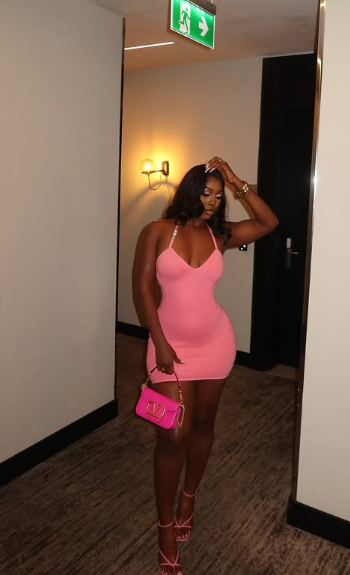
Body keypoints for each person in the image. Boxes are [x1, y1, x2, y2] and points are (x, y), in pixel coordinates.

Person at [132, 156, 278, 575]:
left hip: (215, 344)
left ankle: (189, 498)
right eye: (206, 193)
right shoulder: (158, 231)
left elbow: (268, 222)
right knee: (172, 435)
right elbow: (142, 289)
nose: (212, 201)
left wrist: (236, 181)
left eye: (218, 195)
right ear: (189, 191)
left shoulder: (220, 235)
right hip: (168, 347)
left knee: (202, 425)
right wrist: (159, 342)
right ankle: (164, 527)